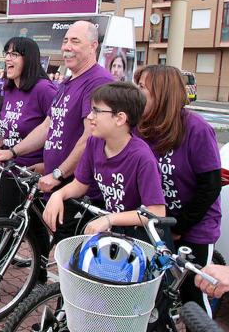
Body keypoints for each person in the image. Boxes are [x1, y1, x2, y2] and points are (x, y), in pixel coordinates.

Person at [0, 20, 113, 244]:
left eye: (75, 41)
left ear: (93, 45)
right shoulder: (68, 82)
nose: (67, 46)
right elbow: (48, 126)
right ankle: (38, 277)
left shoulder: (99, 81)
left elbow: (90, 137)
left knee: (69, 248)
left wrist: (58, 173)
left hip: (78, 186)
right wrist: (12, 152)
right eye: (65, 40)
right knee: (50, 237)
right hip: (56, 179)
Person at [135, 65, 222, 316]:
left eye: (142, 88)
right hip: (158, 224)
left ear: (161, 92)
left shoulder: (196, 128)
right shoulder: (142, 126)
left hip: (194, 228)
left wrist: (179, 227)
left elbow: (210, 187)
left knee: (191, 299)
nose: (137, 93)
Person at [43, 82, 167, 238]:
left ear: (120, 118)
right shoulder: (94, 142)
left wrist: (109, 219)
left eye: (96, 111)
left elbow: (156, 211)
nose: (89, 116)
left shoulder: (142, 157)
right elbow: (80, 184)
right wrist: (58, 195)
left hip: (140, 239)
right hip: (114, 233)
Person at [0, 36, 57, 282]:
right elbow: (14, 127)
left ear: (30, 59)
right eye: (7, 52)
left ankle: (35, 276)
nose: (8, 58)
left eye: (15, 54)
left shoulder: (44, 90)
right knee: (7, 220)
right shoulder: (9, 89)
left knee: (34, 226)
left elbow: (57, 128)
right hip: (11, 168)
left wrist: (50, 166)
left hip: (35, 171)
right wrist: (0, 143)